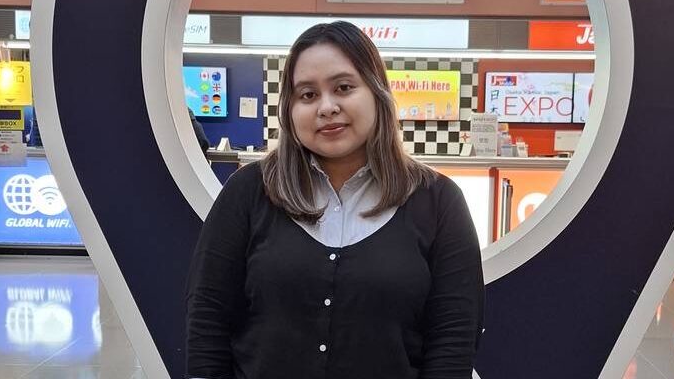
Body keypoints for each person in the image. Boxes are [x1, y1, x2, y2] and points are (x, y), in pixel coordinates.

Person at [185, 21, 485, 379]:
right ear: (289, 109)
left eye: (343, 88)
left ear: (376, 92)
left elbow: (453, 339)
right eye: (307, 95)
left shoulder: (438, 201)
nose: (326, 107)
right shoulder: (248, 191)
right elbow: (208, 316)